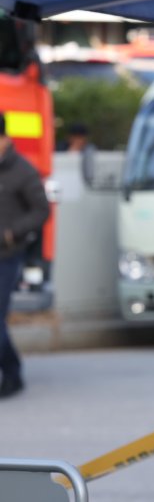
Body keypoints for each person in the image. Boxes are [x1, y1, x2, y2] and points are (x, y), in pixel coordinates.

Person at [0, 112, 50, 398]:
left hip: (7, 255)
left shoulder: (22, 171)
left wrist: (11, 232)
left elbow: (41, 210)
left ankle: (12, 375)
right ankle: (12, 368)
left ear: (5, 138)